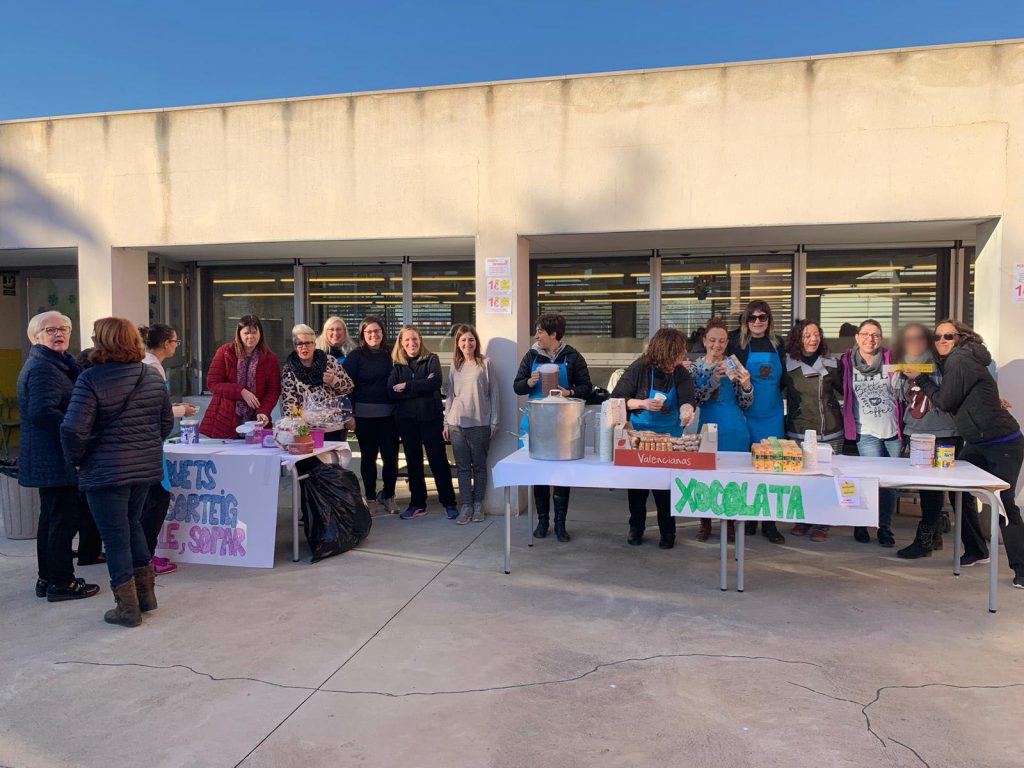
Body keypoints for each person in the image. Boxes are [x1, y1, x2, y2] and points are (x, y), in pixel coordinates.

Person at [61, 318, 173, 627]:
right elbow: (166, 424)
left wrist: (78, 459)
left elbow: (73, 429)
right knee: (132, 525)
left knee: (115, 537)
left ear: (102, 342)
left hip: (105, 470)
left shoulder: (90, 379)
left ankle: (127, 608)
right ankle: (146, 596)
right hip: (144, 469)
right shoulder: (151, 376)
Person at [903, 320, 1024, 588]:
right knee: (960, 491)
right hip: (977, 442)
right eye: (937, 337)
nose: (942, 340)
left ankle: (1022, 569)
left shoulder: (959, 359)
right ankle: (977, 550)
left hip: (1003, 442)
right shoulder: (961, 360)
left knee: (1003, 504)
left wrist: (920, 378)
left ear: (961, 337)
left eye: (948, 335)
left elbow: (945, 401)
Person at [17, 311, 100, 602]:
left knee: (52, 518)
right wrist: (76, 431)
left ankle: (48, 578)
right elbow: (43, 411)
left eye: (64, 328)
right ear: (36, 336)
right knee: (62, 519)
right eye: (51, 330)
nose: (58, 334)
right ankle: (61, 582)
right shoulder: (43, 367)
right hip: (53, 455)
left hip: (50, 455)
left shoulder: (57, 363)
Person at [611, 328, 697, 549]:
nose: (683, 356)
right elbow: (617, 400)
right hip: (639, 439)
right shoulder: (640, 368)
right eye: (679, 352)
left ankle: (668, 532)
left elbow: (688, 396)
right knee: (638, 489)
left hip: (669, 440)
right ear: (665, 352)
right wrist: (642, 404)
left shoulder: (679, 372)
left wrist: (687, 410)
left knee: (665, 490)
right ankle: (636, 528)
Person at [513, 314, 593, 542]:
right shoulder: (531, 357)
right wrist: (528, 382)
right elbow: (517, 386)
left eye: (540, 331)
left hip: (562, 423)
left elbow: (586, 387)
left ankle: (560, 524)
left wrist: (569, 393)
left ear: (554, 334)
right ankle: (542, 521)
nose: (536, 336)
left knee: (561, 475)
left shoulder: (572, 357)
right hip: (537, 421)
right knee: (538, 473)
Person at [892, 323, 958, 559]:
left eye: (919, 338)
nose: (914, 343)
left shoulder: (940, 362)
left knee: (937, 488)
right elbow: (902, 398)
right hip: (916, 430)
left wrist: (922, 375)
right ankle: (934, 536)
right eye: (909, 339)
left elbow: (948, 396)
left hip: (943, 432)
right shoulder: (904, 363)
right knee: (925, 487)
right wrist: (899, 379)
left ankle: (924, 541)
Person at [139, 323, 198, 576]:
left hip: (151, 440)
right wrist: (180, 411)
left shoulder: (151, 365)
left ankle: (144, 555)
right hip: (150, 443)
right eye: (175, 341)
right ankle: (146, 557)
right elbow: (153, 410)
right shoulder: (152, 367)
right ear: (165, 343)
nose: (177, 345)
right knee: (156, 500)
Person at [728, 300, 786, 544]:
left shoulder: (778, 344)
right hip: (747, 415)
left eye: (762, 317)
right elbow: (731, 379)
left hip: (772, 415)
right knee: (748, 468)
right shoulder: (738, 344)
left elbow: (784, 381)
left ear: (769, 320)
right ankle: (750, 517)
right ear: (746, 321)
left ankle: (770, 523)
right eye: (752, 318)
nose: (758, 322)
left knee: (772, 469)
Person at [840, 319, 902, 547]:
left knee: (889, 485)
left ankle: (884, 528)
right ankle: (862, 523)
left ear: (881, 338)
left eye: (875, 335)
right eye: (865, 334)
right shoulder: (847, 362)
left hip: (893, 432)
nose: (870, 339)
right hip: (866, 431)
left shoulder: (890, 358)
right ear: (857, 337)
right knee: (869, 481)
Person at [782, 319, 844, 542]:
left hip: (831, 429)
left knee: (826, 478)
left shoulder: (832, 364)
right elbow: (773, 391)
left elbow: (847, 390)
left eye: (816, 334)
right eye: (807, 335)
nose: (813, 339)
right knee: (803, 479)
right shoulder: (787, 365)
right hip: (799, 429)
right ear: (798, 339)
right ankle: (804, 519)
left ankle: (823, 522)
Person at [388, 326, 458, 520]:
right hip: (407, 421)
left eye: (415, 339)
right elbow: (391, 391)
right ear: (401, 343)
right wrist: (421, 386)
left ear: (420, 340)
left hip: (430, 419)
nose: (412, 344)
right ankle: (417, 504)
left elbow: (435, 383)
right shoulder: (396, 365)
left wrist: (407, 386)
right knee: (413, 462)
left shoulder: (431, 359)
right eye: (407, 340)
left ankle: (449, 502)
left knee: (438, 461)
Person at [693, 318, 753, 543]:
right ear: (704, 340)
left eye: (721, 341)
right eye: (712, 340)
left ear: (727, 343)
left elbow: (745, 403)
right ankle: (705, 524)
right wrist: (712, 380)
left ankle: (729, 527)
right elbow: (695, 399)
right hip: (707, 428)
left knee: (732, 481)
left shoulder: (734, 365)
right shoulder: (696, 366)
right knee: (704, 479)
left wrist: (747, 385)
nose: (716, 345)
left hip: (734, 428)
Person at [343, 316, 400, 514]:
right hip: (364, 417)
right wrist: (349, 414)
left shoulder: (392, 354)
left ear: (383, 333)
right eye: (369, 332)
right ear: (362, 335)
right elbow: (345, 387)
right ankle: (371, 497)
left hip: (389, 416)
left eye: (377, 331)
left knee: (391, 458)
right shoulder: (355, 356)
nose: (373, 335)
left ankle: (390, 495)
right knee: (369, 458)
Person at [443, 324, 499, 525]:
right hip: (457, 424)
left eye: (471, 339)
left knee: (480, 466)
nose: (468, 343)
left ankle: (478, 505)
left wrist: (494, 421)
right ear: (458, 343)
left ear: (476, 342)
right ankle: (465, 505)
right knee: (463, 468)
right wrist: (446, 422)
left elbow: (494, 393)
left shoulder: (485, 364)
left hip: (480, 423)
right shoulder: (455, 365)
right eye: (463, 340)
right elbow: (450, 396)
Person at [200, 315, 281, 439]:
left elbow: (273, 390)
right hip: (224, 418)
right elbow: (213, 383)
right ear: (239, 334)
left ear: (260, 333)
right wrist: (241, 391)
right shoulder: (225, 352)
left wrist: (264, 412)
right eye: (246, 333)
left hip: (256, 420)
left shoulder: (270, 358)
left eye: (254, 332)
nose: (250, 337)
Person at [281, 324, 354, 438]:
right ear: (295, 347)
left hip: (334, 426)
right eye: (300, 344)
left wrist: (334, 380)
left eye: (308, 343)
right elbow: (289, 404)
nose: (304, 347)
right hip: (306, 430)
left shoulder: (329, 361)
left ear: (314, 344)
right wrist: (299, 424)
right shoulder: (289, 369)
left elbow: (349, 387)